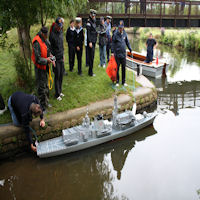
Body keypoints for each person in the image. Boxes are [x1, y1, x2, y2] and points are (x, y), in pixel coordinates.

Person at [32, 26, 55, 111]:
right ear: (42, 33)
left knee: (46, 85)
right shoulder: (36, 42)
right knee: (41, 87)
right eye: (45, 35)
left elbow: (48, 50)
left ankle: (46, 102)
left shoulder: (45, 40)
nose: (47, 36)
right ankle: (42, 107)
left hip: (45, 66)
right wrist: (47, 60)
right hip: (39, 68)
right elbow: (38, 59)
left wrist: (51, 57)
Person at [111, 20, 132, 87]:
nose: (120, 29)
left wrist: (130, 49)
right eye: (119, 28)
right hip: (117, 54)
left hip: (123, 54)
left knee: (123, 68)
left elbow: (127, 42)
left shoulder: (125, 33)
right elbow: (113, 43)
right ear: (118, 27)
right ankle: (117, 81)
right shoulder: (115, 34)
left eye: (121, 28)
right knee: (117, 68)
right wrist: (112, 52)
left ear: (123, 27)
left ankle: (123, 82)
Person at [49, 17, 65, 101]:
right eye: (59, 26)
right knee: (57, 75)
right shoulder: (52, 34)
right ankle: (57, 94)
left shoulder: (61, 32)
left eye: (61, 26)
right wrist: (53, 59)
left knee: (61, 74)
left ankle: (60, 91)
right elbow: (50, 49)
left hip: (61, 56)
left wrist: (63, 55)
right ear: (55, 25)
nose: (60, 28)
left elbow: (61, 45)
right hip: (55, 58)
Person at [86, 9, 98, 77]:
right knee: (91, 57)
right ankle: (90, 72)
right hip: (91, 42)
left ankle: (90, 71)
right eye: (92, 15)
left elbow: (94, 31)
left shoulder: (94, 22)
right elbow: (88, 33)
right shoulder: (89, 22)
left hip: (93, 41)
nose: (93, 16)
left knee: (92, 57)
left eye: (94, 15)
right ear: (90, 15)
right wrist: (90, 41)